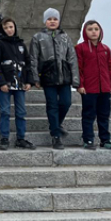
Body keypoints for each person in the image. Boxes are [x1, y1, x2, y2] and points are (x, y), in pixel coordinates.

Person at [30, 8, 80, 151]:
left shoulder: (65, 37)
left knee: (66, 102)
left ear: (58, 21)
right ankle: (56, 135)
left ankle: (56, 124)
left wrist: (75, 79)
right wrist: (35, 77)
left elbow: (72, 58)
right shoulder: (37, 37)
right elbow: (33, 58)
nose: (52, 21)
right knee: (52, 105)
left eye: (55, 19)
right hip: (48, 76)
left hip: (64, 76)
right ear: (45, 21)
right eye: (49, 19)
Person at [76, 20, 111, 151]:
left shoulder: (106, 49)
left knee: (104, 115)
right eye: (90, 29)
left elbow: (109, 68)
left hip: (105, 88)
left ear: (100, 31)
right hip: (89, 88)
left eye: (96, 29)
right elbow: (79, 69)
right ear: (85, 32)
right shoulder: (80, 48)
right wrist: (80, 85)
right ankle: (88, 139)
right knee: (89, 114)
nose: (93, 31)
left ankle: (105, 140)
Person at [0, 17, 35, 151]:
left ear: (14, 27)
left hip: (20, 85)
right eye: (6, 28)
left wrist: (29, 81)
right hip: (5, 85)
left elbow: (28, 63)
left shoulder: (21, 44)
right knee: (4, 112)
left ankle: (21, 138)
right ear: (1, 30)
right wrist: (1, 82)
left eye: (11, 27)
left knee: (21, 112)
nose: (9, 30)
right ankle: (4, 137)